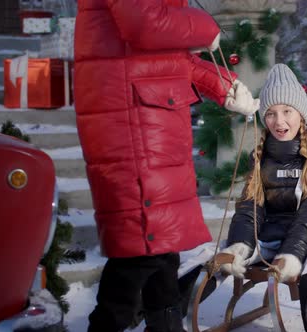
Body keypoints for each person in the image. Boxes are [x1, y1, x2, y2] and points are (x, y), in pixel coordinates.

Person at [73, 1, 258, 331]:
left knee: (162, 249)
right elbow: (144, 23)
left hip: (152, 119)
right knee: (142, 250)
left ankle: (166, 323)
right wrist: (205, 27)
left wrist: (223, 84)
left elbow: (173, 59)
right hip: (132, 121)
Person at [219, 64, 307, 332]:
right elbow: (250, 205)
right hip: (279, 227)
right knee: (235, 247)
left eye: (287, 111)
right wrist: (241, 244)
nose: (279, 122)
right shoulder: (260, 155)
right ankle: (177, 297)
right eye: (270, 113)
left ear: (301, 114)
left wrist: (292, 254)